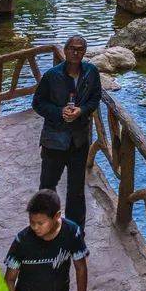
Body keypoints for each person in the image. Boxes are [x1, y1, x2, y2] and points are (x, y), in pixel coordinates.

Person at [32, 36, 100, 229]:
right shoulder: (52, 76)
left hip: (79, 141)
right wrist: (59, 112)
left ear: (84, 52)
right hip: (54, 140)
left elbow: (95, 98)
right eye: (71, 48)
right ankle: (44, 226)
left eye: (79, 49)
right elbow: (38, 103)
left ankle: (76, 232)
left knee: (76, 191)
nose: (75, 52)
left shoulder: (91, 72)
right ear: (65, 50)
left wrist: (82, 110)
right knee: (47, 187)